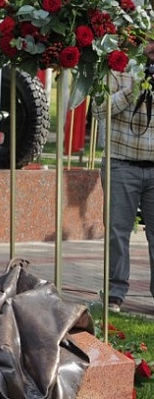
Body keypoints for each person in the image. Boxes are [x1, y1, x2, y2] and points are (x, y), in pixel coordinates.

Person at [93, 39, 154, 312]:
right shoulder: (117, 64)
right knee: (118, 232)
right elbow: (98, 110)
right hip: (121, 163)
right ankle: (115, 294)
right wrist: (131, 91)